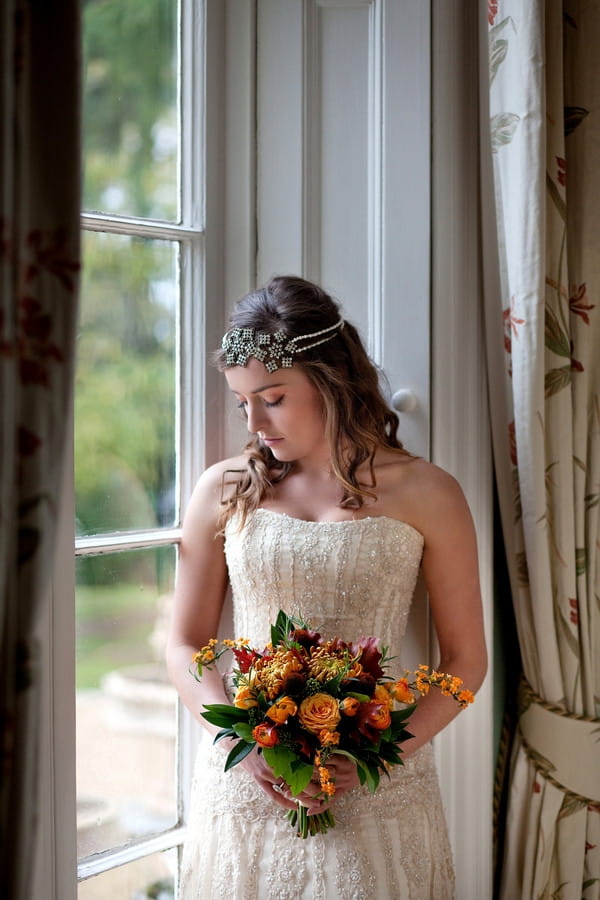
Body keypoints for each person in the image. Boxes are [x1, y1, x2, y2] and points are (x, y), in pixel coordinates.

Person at [166, 275, 487, 899]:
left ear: (331, 381)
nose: (255, 421)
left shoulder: (429, 492)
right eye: (242, 403)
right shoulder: (225, 488)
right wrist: (239, 743)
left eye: (273, 397)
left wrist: (378, 756)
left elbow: (467, 661)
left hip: (380, 785)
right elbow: (184, 643)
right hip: (249, 780)